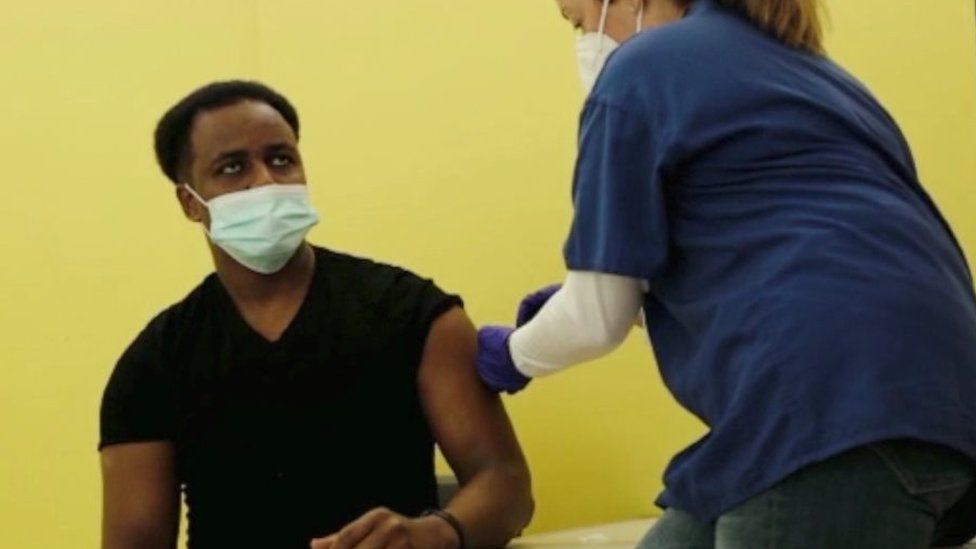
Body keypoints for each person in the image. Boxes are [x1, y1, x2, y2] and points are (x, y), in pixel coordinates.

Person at [476, 1, 976, 547]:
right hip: (939, 404)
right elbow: (794, 252)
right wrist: (636, 296)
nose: (582, 40)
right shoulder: (825, 78)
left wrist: (513, 354)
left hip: (826, 406)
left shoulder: (643, 68)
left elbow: (596, 318)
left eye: (577, 21)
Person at [99, 80, 533, 549]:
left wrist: (435, 534)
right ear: (190, 202)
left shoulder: (413, 313)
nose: (265, 181)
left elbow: (506, 485)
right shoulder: (154, 363)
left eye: (281, 159)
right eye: (232, 167)